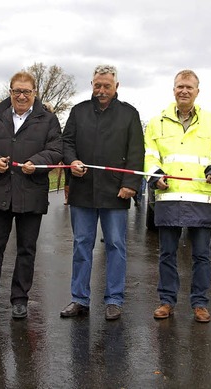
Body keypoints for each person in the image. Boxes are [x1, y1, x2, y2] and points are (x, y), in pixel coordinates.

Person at [0, 72, 62, 320]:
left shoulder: (48, 119)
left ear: (34, 93)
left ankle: (20, 299)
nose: (21, 96)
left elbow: (56, 149)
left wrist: (37, 162)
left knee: (26, 249)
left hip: (31, 191)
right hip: (1, 189)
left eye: (26, 91)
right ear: (10, 91)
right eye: (17, 91)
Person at [144, 70, 211, 323]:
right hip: (168, 196)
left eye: (189, 87)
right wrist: (154, 174)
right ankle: (166, 301)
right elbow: (149, 153)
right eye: (180, 86)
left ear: (197, 91)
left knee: (202, 255)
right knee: (167, 253)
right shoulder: (156, 121)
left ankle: (200, 304)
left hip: (200, 198)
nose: (184, 91)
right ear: (173, 90)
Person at [60, 65, 144, 321]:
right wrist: (72, 162)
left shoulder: (129, 114)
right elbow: (67, 142)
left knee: (116, 246)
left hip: (115, 192)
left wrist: (130, 183)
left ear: (116, 86)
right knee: (81, 244)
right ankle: (79, 298)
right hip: (82, 190)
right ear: (92, 85)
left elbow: (136, 151)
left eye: (106, 85)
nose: (101, 90)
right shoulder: (79, 111)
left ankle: (114, 299)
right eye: (97, 85)